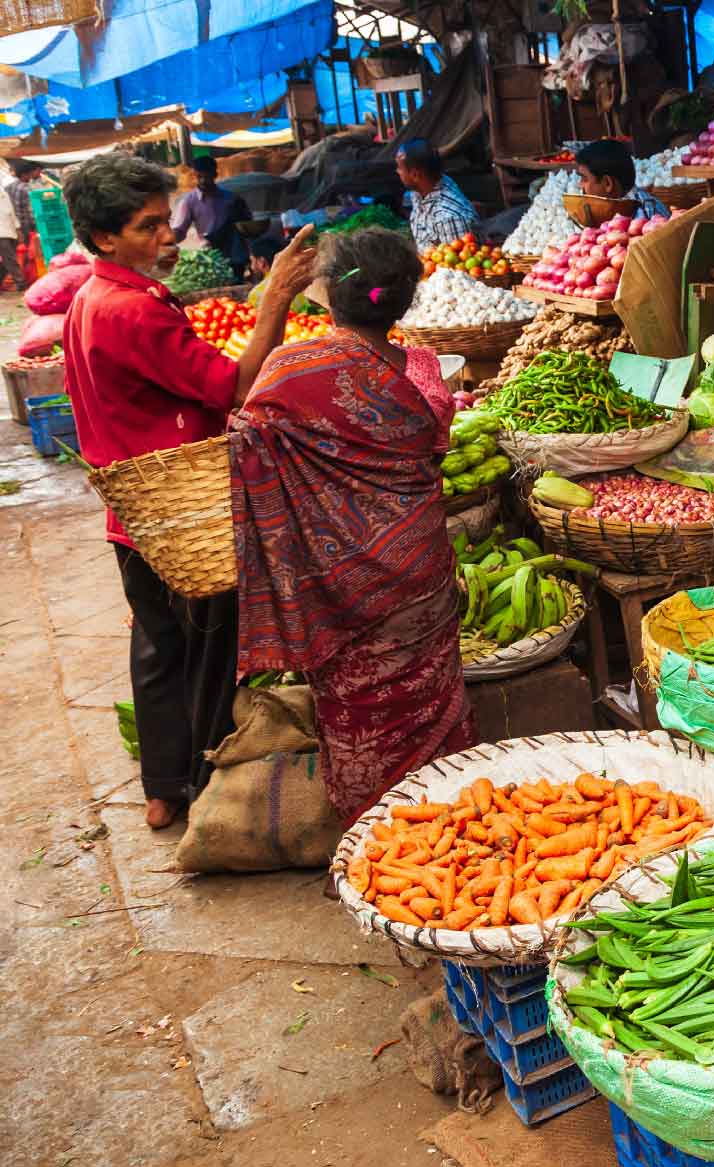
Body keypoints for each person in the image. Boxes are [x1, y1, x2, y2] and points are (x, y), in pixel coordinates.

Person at [61, 152, 317, 830]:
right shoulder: (135, 311)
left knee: (155, 646)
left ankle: (163, 786)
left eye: (165, 220)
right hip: (186, 513)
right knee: (208, 649)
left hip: (134, 516)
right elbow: (235, 387)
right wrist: (278, 295)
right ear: (105, 237)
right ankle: (209, 790)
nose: (168, 236)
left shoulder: (90, 297)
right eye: (149, 227)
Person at [227, 228, 476, 825]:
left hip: (338, 589)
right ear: (405, 299)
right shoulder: (421, 369)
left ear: (327, 296)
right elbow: (436, 435)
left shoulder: (291, 368)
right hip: (420, 572)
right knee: (434, 700)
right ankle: (453, 823)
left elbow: (245, 429)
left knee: (354, 709)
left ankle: (371, 837)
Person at [395, 138, 477, 249]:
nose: (397, 171)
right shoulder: (421, 190)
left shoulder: (448, 217)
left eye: (399, 168)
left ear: (415, 175)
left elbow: (457, 263)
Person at [172, 155, 248, 273]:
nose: (203, 181)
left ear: (215, 175)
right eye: (199, 176)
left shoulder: (232, 199)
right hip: (209, 258)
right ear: (194, 176)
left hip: (235, 256)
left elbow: (246, 224)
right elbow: (180, 231)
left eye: (207, 177)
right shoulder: (189, 201)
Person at [573, 138, 670, 221]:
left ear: (608, 183)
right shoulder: (616, 211)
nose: (580, 185)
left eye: (584, 179)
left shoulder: (644, 214)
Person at [0, 163, 26, 292]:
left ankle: (19, 282)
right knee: (9, 259)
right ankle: (21, 283)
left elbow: (10, 211)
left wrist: (17, 228)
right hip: (3, 232)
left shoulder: (3, 191)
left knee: (8, 259)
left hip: (8, 231)